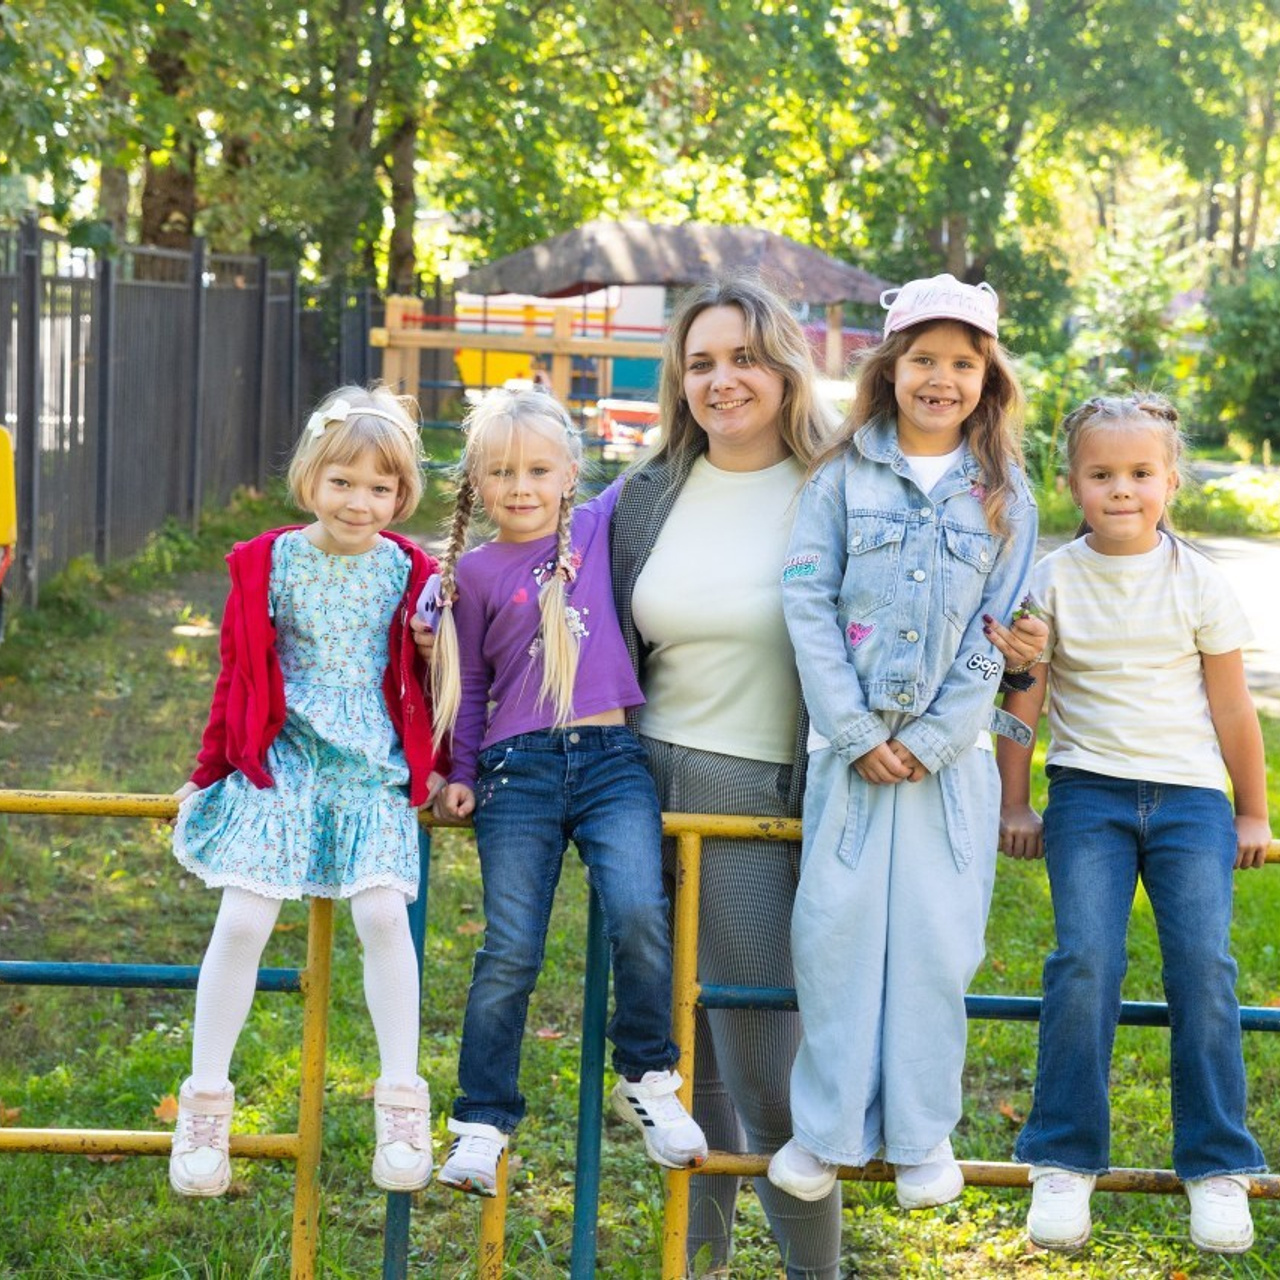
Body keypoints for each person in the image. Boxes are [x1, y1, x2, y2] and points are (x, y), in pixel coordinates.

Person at [413, 277, 1042, 1278]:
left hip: (759, 793)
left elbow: (950, 600)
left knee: (764, 1061)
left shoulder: (844, 481)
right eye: (700, 362)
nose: (722, 380)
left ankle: (813, 1270)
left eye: (744, 357)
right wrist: (421, 604)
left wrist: (1015, 655)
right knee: (681, 1060)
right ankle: (694, 1263)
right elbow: (519, 560)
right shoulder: (644, 493)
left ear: (784, 367)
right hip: (628, 781)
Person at [767, 274, 1039, 1216]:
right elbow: (806, 601)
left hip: (949, 767)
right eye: (923, 358)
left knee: (934, 944)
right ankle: (827, 1131)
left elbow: (1000, 630)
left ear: (987, 379)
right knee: (834, 936)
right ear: (889, 368)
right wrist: (852, 729)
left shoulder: (1004, 495)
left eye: (963, 363)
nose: (941, 379)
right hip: (848, 756)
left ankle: (922, 1137)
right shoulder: (839, 479)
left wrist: (932, 737)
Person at [997, 392, 1270, 1254]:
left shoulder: (1201, 581)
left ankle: (1218, 1165)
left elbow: (1233, 710)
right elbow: (1022, 700)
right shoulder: (1051, 580)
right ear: (1072, 483)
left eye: (1141, 473)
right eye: (1102, 474)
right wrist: (1014, 800)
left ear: (1170, 482)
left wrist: (1253, 811)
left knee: (1204, 966)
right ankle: (1063, 1157)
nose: (1122, 489)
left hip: (1191, 800)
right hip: (1089, 795)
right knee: (1085, 960)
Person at [427, 387, 707, 1196]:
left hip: (613, 760)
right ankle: (482, 1121)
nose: (520, 486)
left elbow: (667, 453)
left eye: (538, 470)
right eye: (500, 472)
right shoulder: (473, 573)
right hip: (517, 773)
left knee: (640, 910)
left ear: (570, 473)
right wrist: (460, 772)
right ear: (475, 483)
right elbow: (469, 688)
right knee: (511, 947)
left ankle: (647, 1077)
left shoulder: (596, 526)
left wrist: (708, 387)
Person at [168, 386, 442, 1198]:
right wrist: (208, 768)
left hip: (370, 766)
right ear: (310, 478)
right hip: (284, 757)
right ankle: (204, 1108)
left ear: (402, 494)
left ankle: (401, 1103)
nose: (360, 502)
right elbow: (236, 673)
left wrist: (442, 762)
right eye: (343, 482)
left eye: (381, 488)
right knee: (243, 917)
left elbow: (437, 683)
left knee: (384, 916)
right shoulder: (268, 562)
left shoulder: (412, 571)